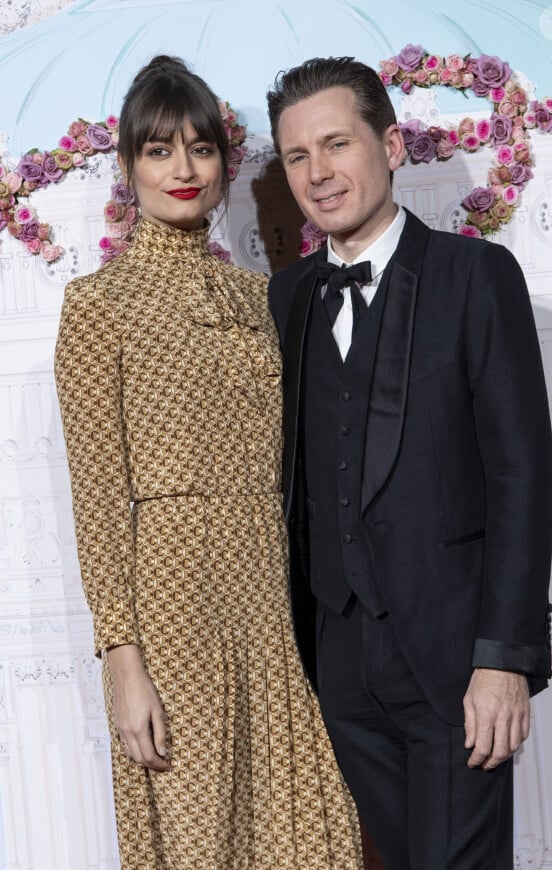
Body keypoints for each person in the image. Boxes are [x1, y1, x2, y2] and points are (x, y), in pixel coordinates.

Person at [55, 55, 362, 869]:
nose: (183, 170)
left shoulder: (262, 299)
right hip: (172, 613)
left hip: (272, 607)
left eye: (200, 148)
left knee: (310, 840)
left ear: (227, 163)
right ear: (126, 167)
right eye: (159, 151)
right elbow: (96, 496)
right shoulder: (97, 307)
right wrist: (124, 662)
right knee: (202, 844)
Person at [266, 56, 552, 869]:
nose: (319, 174)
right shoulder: (286, 301)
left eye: (337, 144)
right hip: (340, 666)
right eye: (297, 157)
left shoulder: (477, 276)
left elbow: (521, 476)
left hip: (458, 660)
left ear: (390, 145)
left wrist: (503, 658)